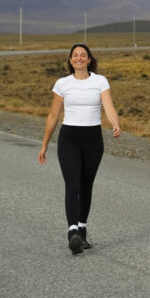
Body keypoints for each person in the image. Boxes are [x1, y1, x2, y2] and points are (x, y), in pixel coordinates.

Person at [38, 43, 122, 255]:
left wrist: (115, 123)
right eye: (75, 55)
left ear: (90, 59)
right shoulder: (62, 84)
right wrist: (45, 144)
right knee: (72, 184)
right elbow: (53, 116)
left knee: (86, 185)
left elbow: (108, 106)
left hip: (93, 139)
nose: (79, 58)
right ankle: (72, 232)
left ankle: (82, 230)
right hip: (69, 139)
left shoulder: (100, 81)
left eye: (83, 55)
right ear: (70, 60)